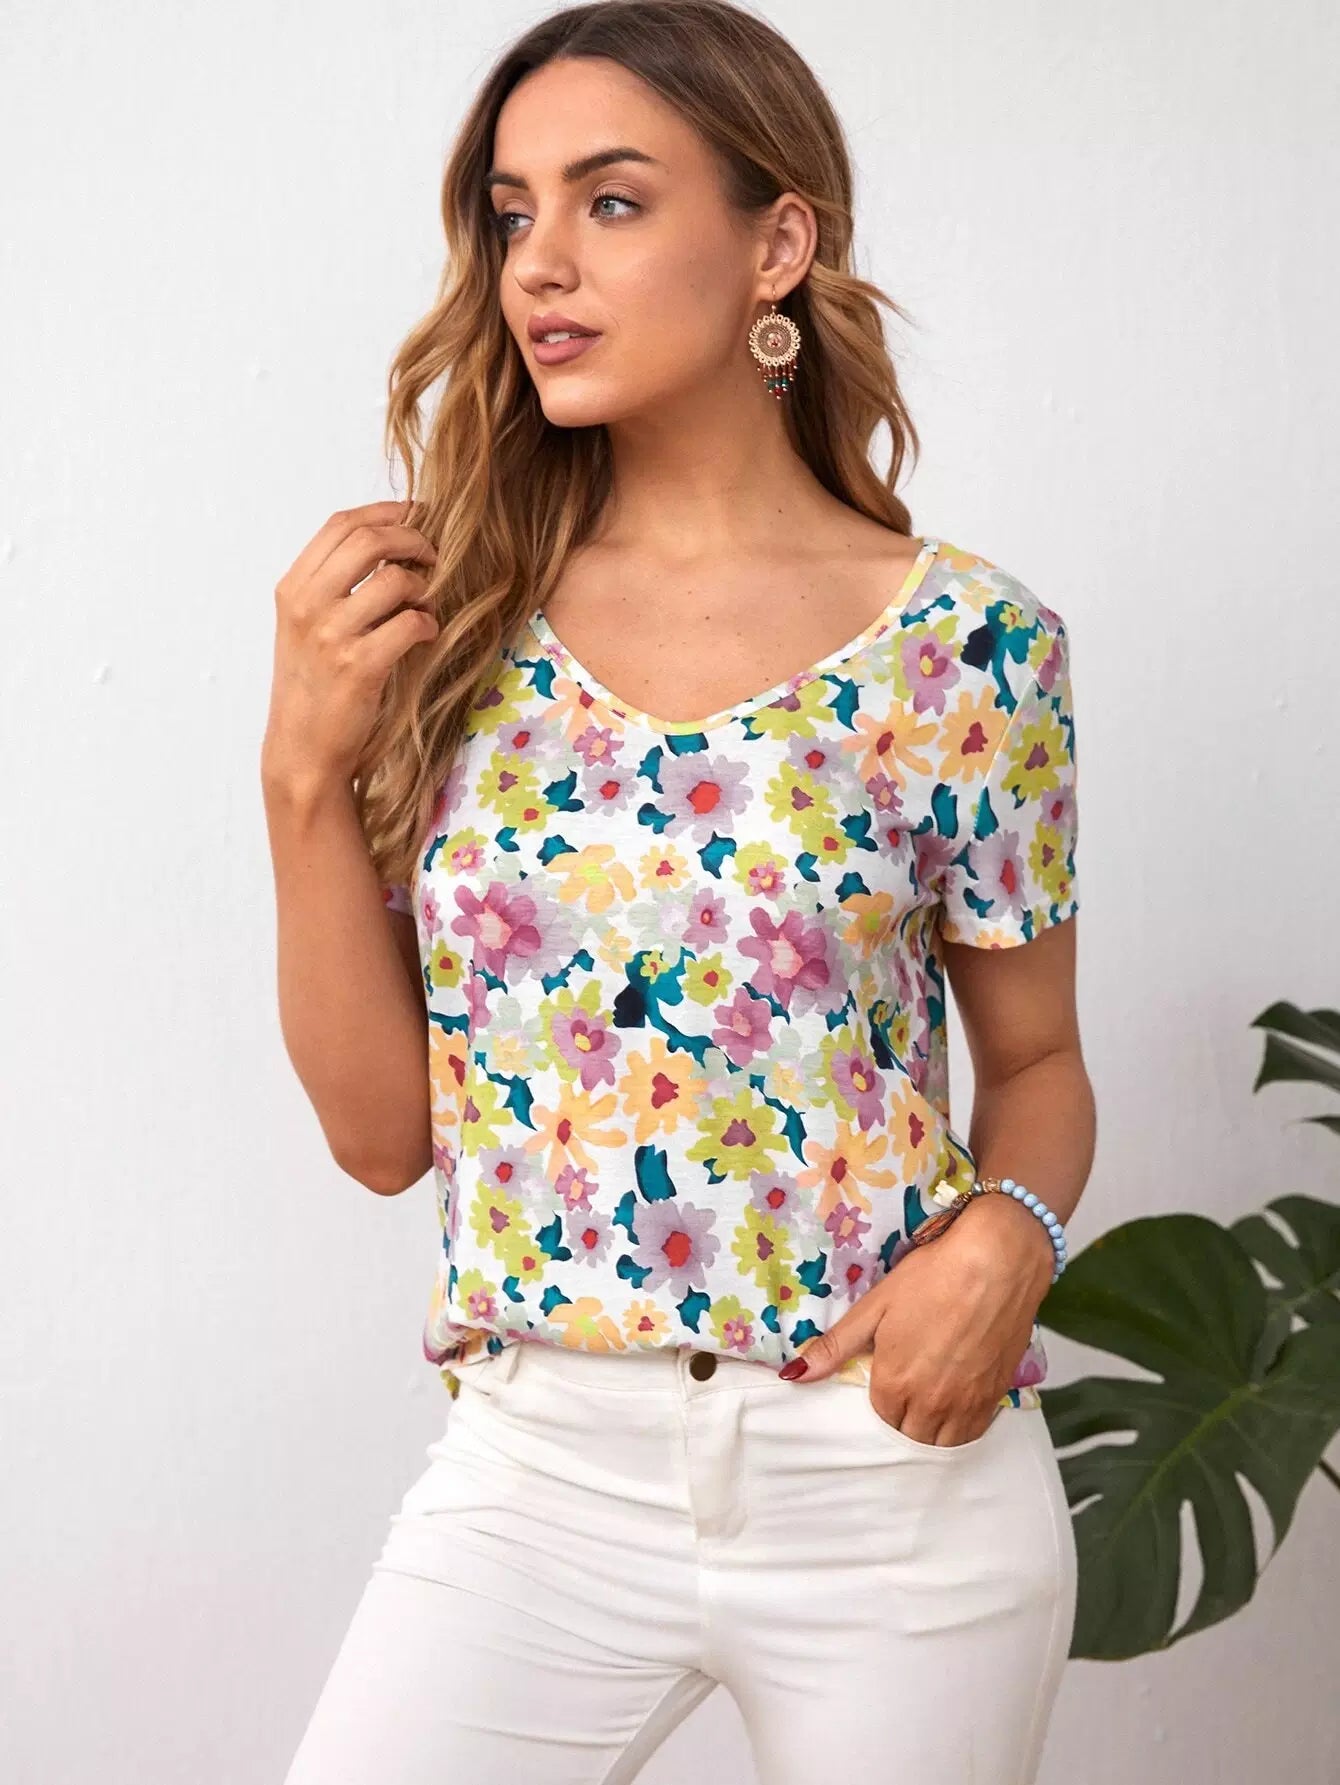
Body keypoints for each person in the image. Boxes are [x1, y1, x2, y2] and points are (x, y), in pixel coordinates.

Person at [262, 3, 1096, 1780]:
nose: (540, 263)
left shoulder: (969, 646)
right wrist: (298, 778)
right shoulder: (444, 624)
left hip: (889, 1474)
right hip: (536, 1473)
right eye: (512, 213)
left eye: (613, 202)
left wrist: (1010, 1239)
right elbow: (380, 1138)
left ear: (778, 243)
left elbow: (1037, 1064)